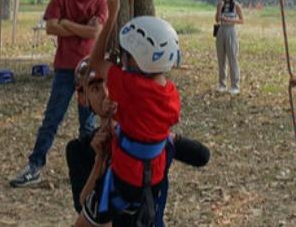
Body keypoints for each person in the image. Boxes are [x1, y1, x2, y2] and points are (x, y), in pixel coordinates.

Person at [76, 0, 182, 227]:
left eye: (125, 55)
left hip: (124, 180)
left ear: (136, 59)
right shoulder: (171, 93)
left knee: (84, 220)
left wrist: (111, 14)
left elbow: (94, 62)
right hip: (152, 179)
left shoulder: (129, 86)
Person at [66, 56, 208, 223]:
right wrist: (100, 160)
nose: (106, 93)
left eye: (109, 83)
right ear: (83, 98)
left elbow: (201, 156)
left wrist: (161, 137)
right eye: (96, 88)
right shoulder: (79, 148)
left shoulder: (144, 136)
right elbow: (82, 206)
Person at [10, 0, 107, 188]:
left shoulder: (101, 3)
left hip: (90, 70)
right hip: (64, 68)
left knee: (88, 124)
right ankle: (35, 167)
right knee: (52, 119)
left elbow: (94, 32)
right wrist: (79, 29)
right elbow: (51, 28)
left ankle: (90, 169)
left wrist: (67, 23)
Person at [213, 0, 243, 95]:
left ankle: (235, 85)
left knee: (232, 58)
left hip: (231, 31)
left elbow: (242, 20)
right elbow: (217, 19)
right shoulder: (220, 4)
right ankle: (222, 84)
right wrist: (219, 9)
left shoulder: (236, 6)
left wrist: (231, 20)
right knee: (221, 59)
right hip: (221, 30)